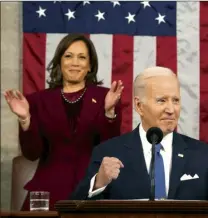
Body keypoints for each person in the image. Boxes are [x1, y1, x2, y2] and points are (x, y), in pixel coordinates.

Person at [70, 66, 208, 206]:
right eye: (162, 100)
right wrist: (99, 182)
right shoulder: (109, 153)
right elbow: (75, 209)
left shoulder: (203, 155)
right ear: (139, 106)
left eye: (176, 100)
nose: (171, 110)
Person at [3, 34, 124, 210]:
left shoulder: (106, 97)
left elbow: (110, 149)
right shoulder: (37, 101)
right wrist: (25, 119)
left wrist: (109, 112)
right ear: (60, 61)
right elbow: (32, 153)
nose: (75, 62)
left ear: (90, 65)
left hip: (92, 191)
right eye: (68, 56)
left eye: (82, 57)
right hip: (48, 192)